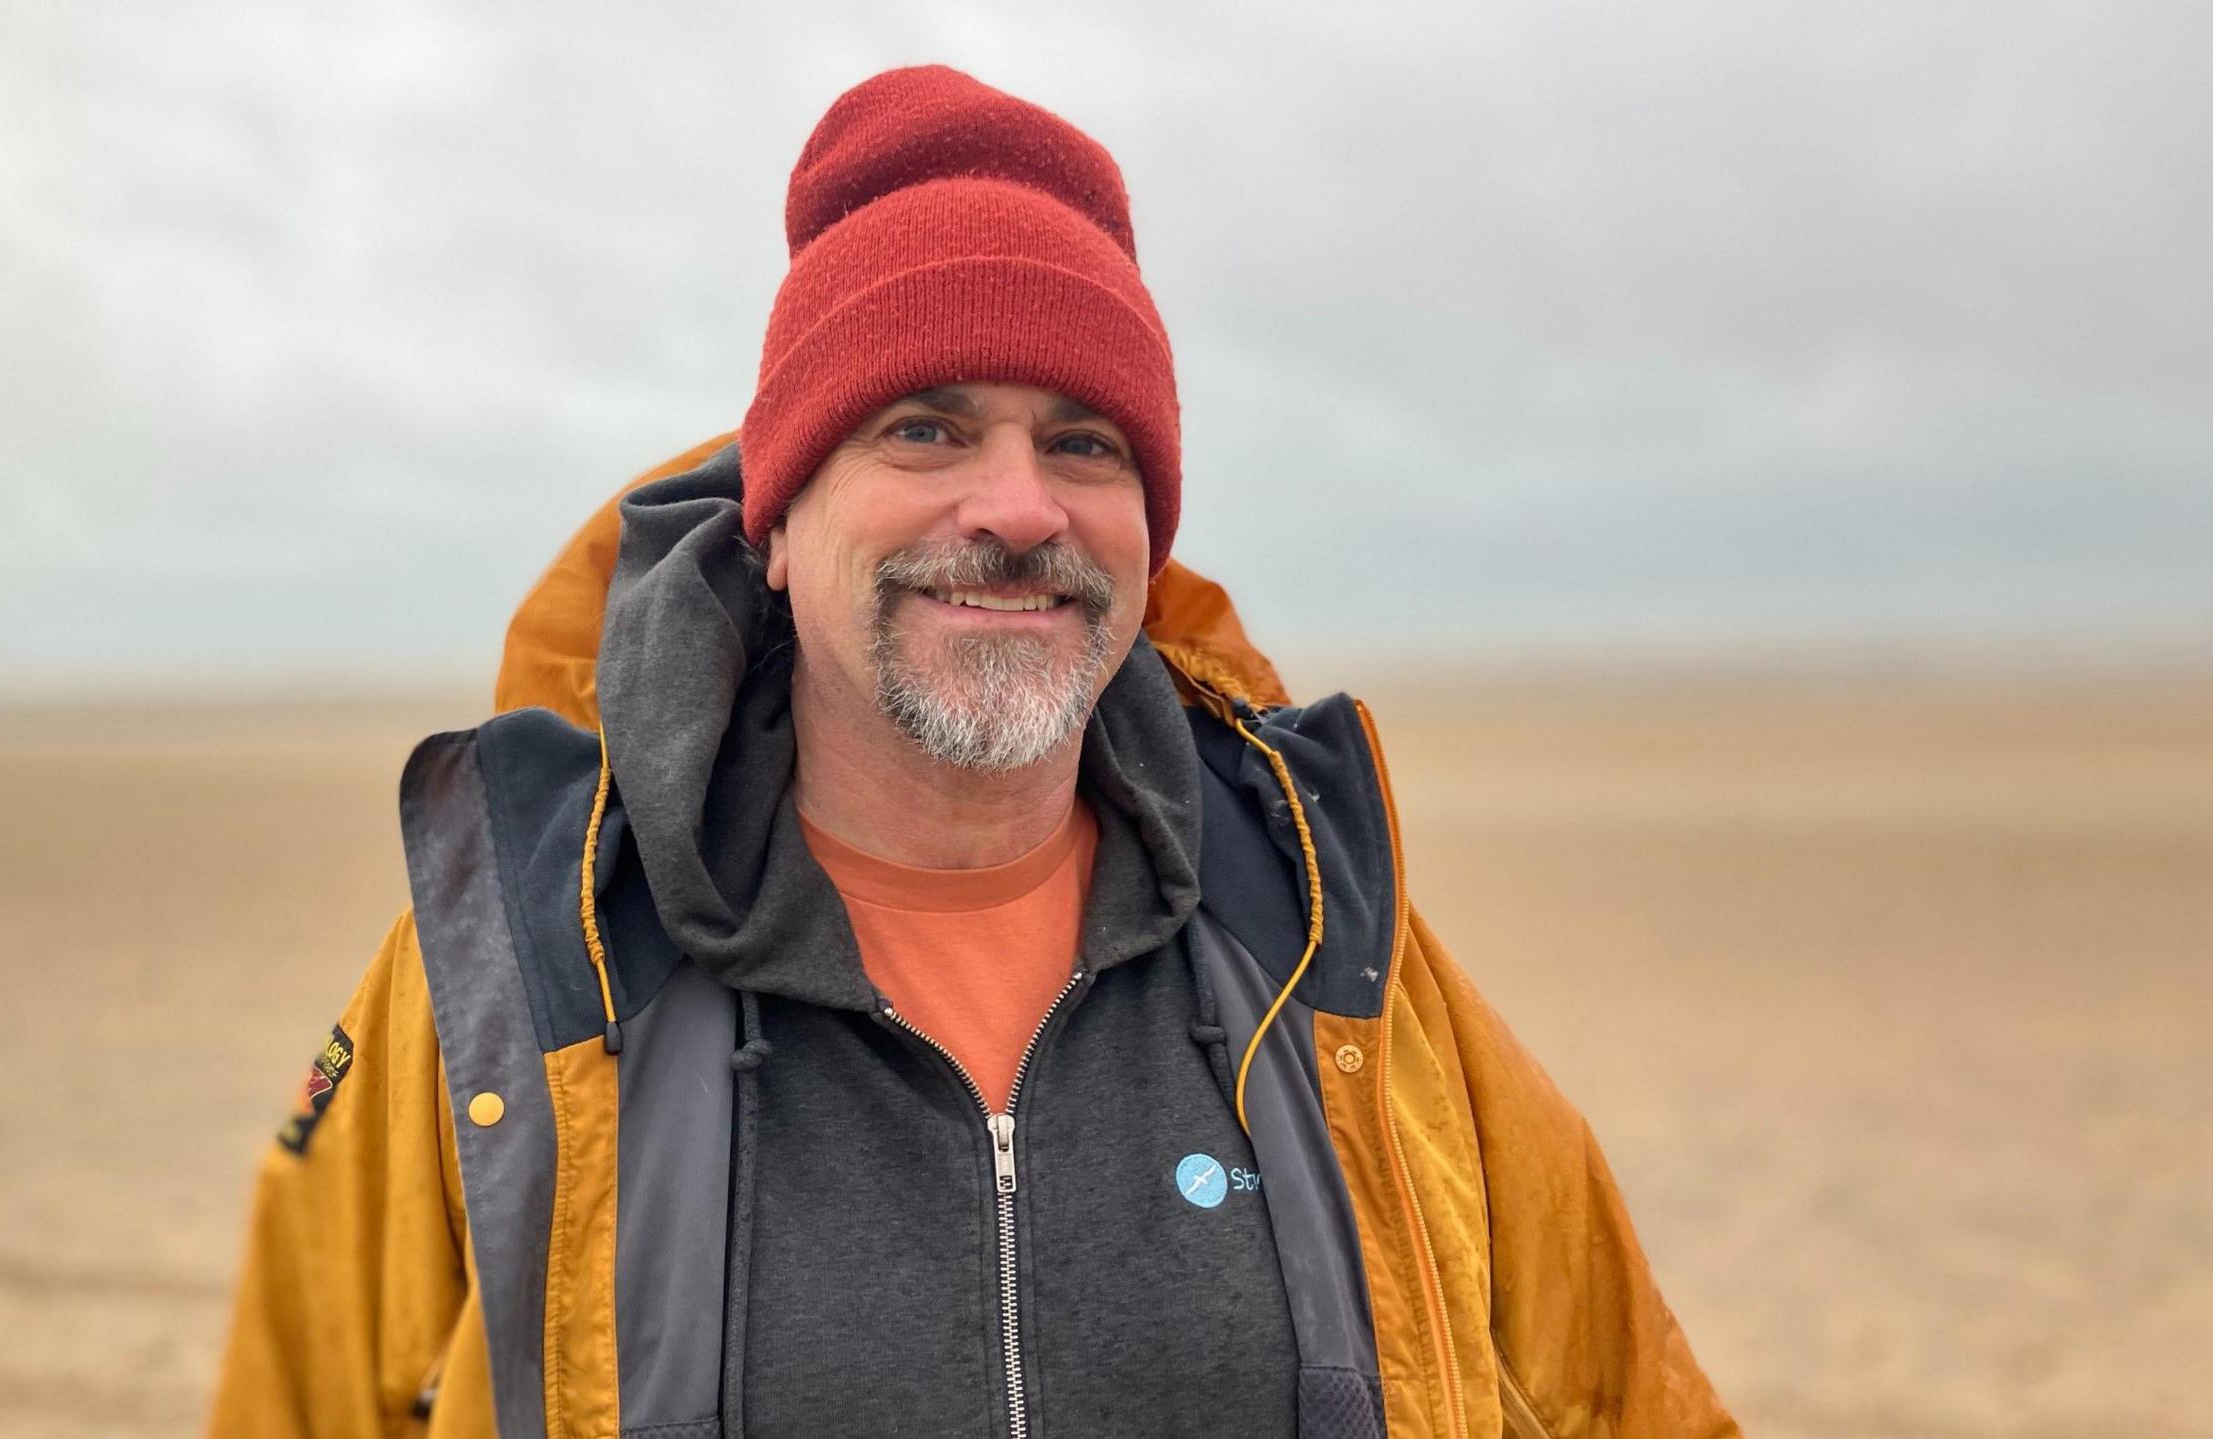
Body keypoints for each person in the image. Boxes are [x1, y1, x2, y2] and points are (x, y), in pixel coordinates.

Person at [209, 65, 1737, 1439]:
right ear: (783, 529)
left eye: (1085, 443)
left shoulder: (1330, 954)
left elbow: (1623, 1396)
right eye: (926, 430)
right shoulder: (517, 980)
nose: (1018, 509)